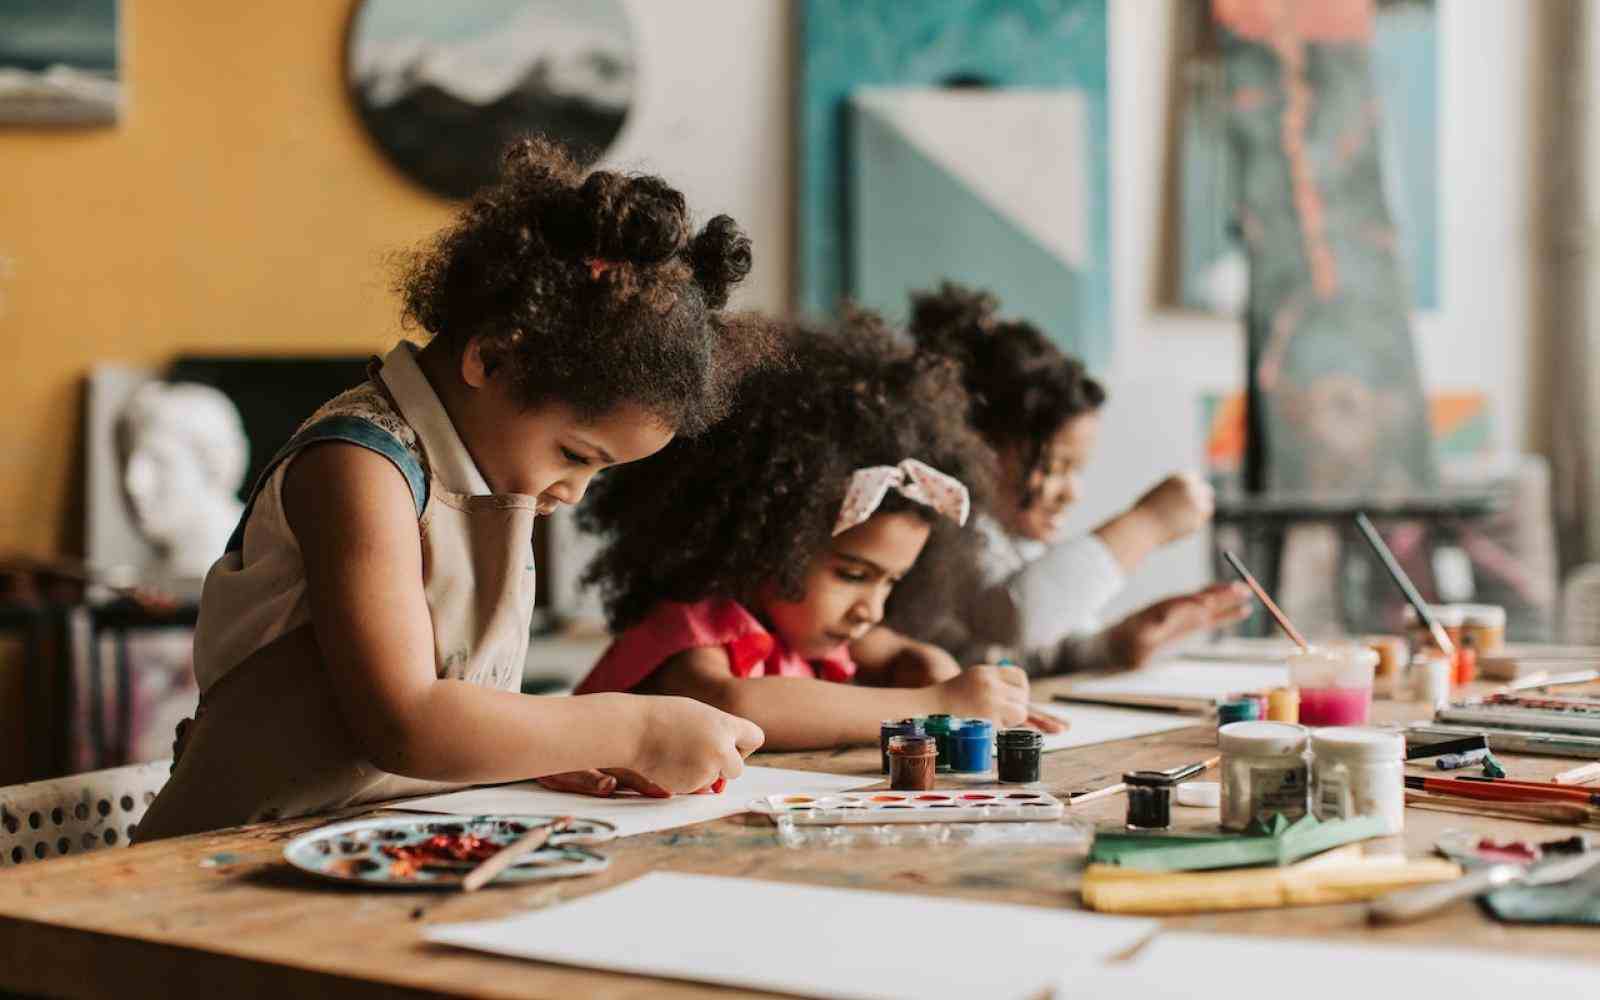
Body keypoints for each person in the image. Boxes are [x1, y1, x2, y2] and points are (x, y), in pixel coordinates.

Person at [136, 138, 771, 840]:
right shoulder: (358, 468)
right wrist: (634, 725)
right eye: (574, 455)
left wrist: (537, 757)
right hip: (217, 868)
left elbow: (452, 711)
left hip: (354, 848)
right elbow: (405, 723)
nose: (574, 493)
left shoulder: (475, 482)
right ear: (493, 356)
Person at [562, 312, 1061, 754]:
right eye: (852, 573)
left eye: (890, 581)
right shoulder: (691, 630)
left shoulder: (804, 630)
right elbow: (735, 703)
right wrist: (933, 704)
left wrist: (937, 671)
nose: (871, 608)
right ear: (765, 540)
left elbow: (901, 653)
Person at [887, 282, 1250, 676]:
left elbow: (1018, 655)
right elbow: (1013, 619)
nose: (1072, 494)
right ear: (975, 445)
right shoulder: (941, 524)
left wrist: (1117, 643)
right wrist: (1147, 524)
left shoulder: (1011, 540)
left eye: (1076, 471)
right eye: (1054, 467)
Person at [116, 381, 249, 580]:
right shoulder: (156, 574)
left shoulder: (255, 554)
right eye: (126, 459)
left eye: (159, 462)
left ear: (211, 466)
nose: (133, 484)